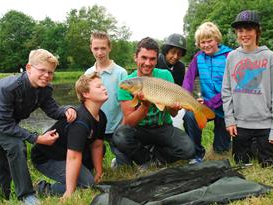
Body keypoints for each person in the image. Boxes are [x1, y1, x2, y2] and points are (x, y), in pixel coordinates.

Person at [0, 49, 77, 205]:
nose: (47, 75)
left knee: (3, 159)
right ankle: (26, 196)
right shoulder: (8, 88)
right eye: (42, 70)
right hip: (2, 123)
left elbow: (53, 110)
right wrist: (36, 138)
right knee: (16, 146)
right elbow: (4, 124)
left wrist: (69, 109)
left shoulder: (44, 90)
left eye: (50, 72)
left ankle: (4, 194)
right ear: (28, 68)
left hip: (6, 124)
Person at [112, 37, 195, 167]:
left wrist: (175, 107)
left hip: (163, 126)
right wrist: (145, 105)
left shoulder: (166, 75)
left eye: (152, 59)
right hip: (140, 129)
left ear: (157, 60)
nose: (148, 63)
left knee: (188, 149)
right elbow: (129, 122)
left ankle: (156, 157)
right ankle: (147, 160)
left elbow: (173, 114)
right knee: (120, 136)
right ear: (136, 57)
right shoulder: (128, 83)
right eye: (144, 58)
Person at [222, 10, 273, 168]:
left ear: (257, 31)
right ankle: (250, 145)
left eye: (249, 29)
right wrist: (230, 120)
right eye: (240, 30)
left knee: (268, 163)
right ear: (236, 33)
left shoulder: (269, 56)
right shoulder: (232, 57)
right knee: (241, 162)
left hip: (265, 124)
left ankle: (266, 144)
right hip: (241, 124)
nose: (244, 34)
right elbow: (226, 91)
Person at [31, 73, 108, 198]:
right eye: (99, 86)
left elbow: (97, 145)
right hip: (47, 157)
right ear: (86, 94)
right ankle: (42, 188)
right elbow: (73, 157)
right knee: (87, 184)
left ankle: (81, 175)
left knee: (101, 150)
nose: (104, 88)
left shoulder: (102, 116)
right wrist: (69, 192)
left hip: (68, 154)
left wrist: (99, 173)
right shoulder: (80, 121)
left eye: (103, 85)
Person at [182, 22, 232, 164]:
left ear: (217, 39)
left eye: (209, 41)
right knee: (190, 116)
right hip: (207, 105)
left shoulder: (230, 55)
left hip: (226, 106)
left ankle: (226, 141)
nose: (206, 45)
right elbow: (188, 80)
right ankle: (196, 153)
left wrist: (212, 102)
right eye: (202, 42)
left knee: (221, 150)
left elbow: (232, 88)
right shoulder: (198, 58)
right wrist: (186, 99)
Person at [85, 31, 131, 168]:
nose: (100, 52)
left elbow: (125, 103)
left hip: (116, 127)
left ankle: (117, 161)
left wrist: (123, 126)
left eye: (103, 48)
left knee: (125, 167)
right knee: (89, 164)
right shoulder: (88, 74)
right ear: (91, 48)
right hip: (95, 128)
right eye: (96, 48)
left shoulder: (121, 73)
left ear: (109, 48)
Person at [156, 33, 187, 129]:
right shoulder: (156, 61)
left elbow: (179, 89)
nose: (176, 56)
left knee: (181, 118)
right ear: (166, 51)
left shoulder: (181, 67)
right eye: (173, 52)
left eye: (179, 54)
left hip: (171, 103)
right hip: (154, 101)